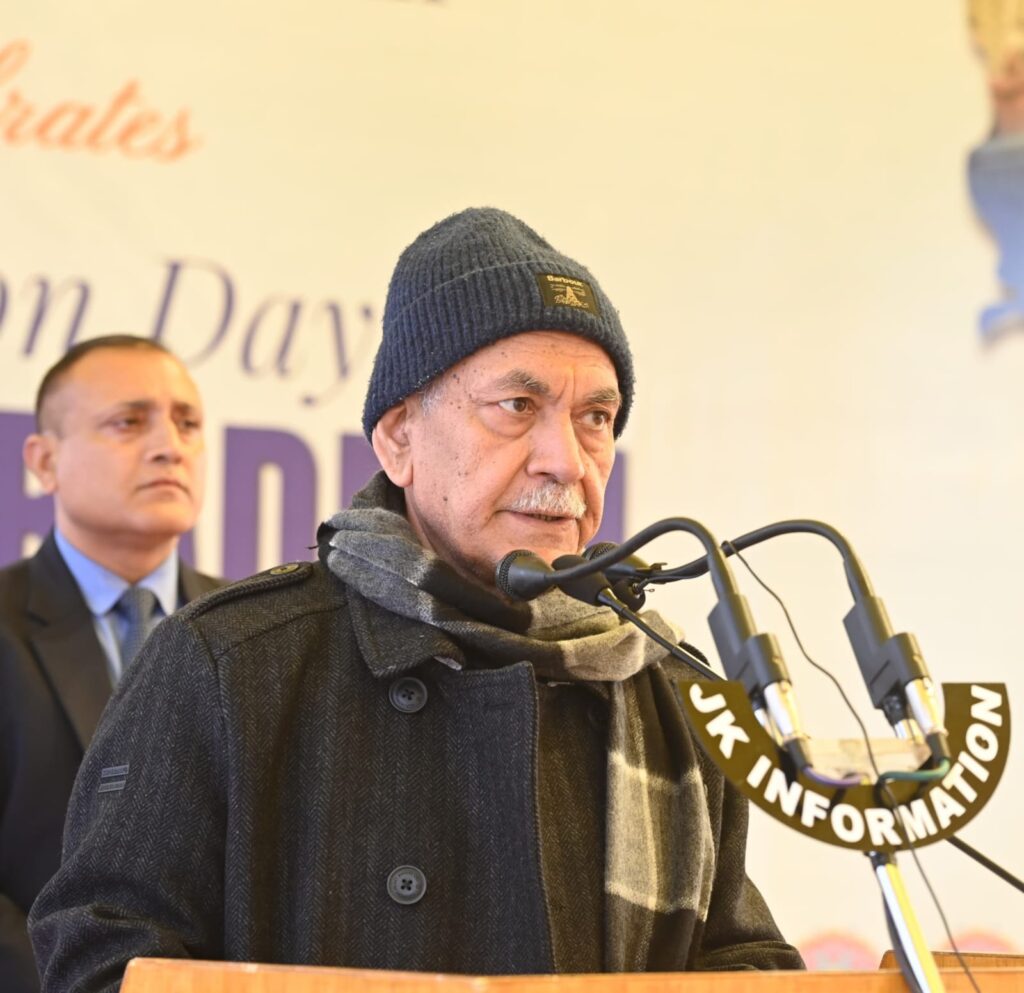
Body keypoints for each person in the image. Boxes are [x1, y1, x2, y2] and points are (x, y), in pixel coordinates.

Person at [29, 210, 803, 987]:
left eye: (595, 418)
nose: (565, 460)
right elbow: (101, 960)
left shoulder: (663, 684)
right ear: (399, 437)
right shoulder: (227, 662)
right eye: (518, 405)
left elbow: (738, 957)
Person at [0, 335, 221, 993]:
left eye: (187, 423)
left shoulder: (258, 631)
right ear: (44, 461)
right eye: (128, 422)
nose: (168, 446)